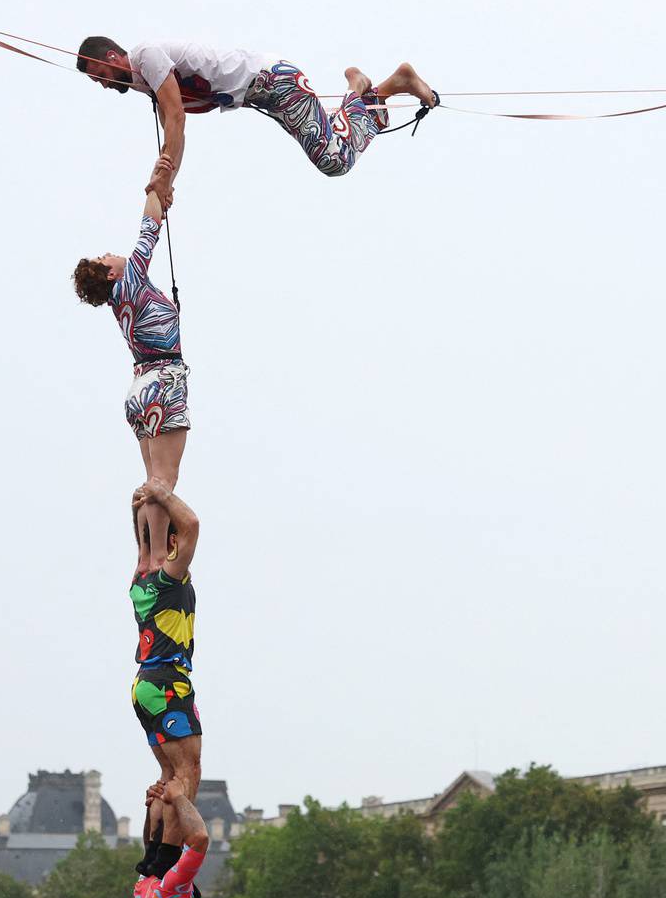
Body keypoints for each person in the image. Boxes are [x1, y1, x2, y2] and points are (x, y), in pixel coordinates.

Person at [75, 36, 437, 201]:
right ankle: (371, 90)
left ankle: (369, 89)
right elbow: (173, 130)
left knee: (334, 160)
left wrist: (165, 181)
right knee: (332, 150)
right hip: (264, 94)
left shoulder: (147, 57)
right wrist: (168, 183)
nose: (102, 85)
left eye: (99, 75)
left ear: (111, 55)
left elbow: (176, 119)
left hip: (274, 81)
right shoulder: (146, 81)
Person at [75, 190, 186, 573]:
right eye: (107, 257)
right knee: (163, 482)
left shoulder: (118, 302)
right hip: (162, 380)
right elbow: (148, 229)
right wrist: (157, 185)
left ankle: (144, 556)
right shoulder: (131, 280)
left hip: (140, 386)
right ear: (111, 273)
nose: (113, 254)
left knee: (152, 480)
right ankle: (156, 558)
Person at [129, 479, 201, 804]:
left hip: (146, 685)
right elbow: (192, 525)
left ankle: (156, 853)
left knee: (168, 780)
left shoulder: (140, 580)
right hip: (167, 681)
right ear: (172, 542)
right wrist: (161, 494)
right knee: (188, 774)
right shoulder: (167, 580)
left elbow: (145, 547)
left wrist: (138, 512)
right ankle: (184, 850)